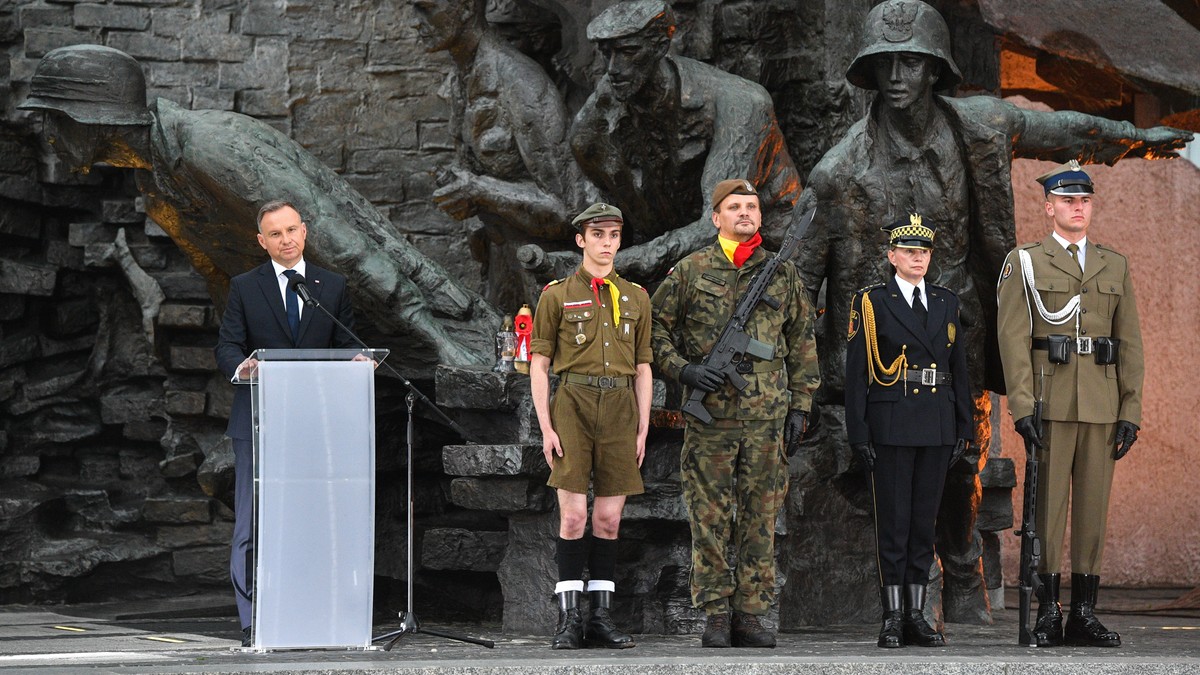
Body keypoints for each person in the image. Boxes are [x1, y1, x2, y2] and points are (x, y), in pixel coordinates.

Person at [793, 0, 1191, 622]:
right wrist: (812, 376)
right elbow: (799, 278)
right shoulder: (837, 173)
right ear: (868, 73)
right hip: (886, 346)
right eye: (885, 64)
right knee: (897, 472)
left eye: (911, 62)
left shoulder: (977, 126)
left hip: (960, 330)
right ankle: (912, 596)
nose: (898, 75)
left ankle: (962, 579)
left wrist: (1139, 141)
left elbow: (1062, 132)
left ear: (934, 70)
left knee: (961, 460)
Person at [19, 44, 498, 369]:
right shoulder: (157, 182)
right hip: (326, 346)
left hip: (409, 324)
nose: (50, 138)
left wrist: (441, 343)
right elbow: (223, 275)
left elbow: (336, 241)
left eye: (53, 121)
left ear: (91, 118)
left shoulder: (210, 148)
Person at [522, 0, 803, 284]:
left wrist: (609, 264)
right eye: (606, 54)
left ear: (659, 46)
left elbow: (719, 224)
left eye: (628, 52)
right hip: (673, 268)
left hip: (769, 258)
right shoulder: (594, 126)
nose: (613, 68)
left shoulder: (741, 104)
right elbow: (610, 217)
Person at [651, 179, 819, 648]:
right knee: (709, 518)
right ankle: (715, 616)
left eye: (751, 206)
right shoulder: (691, 270)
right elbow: (654, 332)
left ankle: (750, 613)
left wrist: (800, 407)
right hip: (711, 423)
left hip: (767, 420)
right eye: (734, 206)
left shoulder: (781, 274)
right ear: (716, 217)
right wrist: (684, 372)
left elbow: (803, 344)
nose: (745, 213)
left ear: (761, 218)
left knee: (761, 519)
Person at [996, 161, 1143, 648]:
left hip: (1101, 405)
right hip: (1051, 400)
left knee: (1092, 513)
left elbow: (1130, 345)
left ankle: (1083, 613)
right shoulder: (1027, 262)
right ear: (1049, 207)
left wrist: (1130, 410)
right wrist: (1021, 406)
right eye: (1068, 200)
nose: (1077, 207)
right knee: (1048, 513)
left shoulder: (1114, 264)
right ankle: (1049, 611)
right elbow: (1013, 340)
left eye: (1084, 200)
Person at [213, 200, 360, 646]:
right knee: (252, 525)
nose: (286, 239)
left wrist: (357, 360)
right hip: (258, 420)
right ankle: (252, 621)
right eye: (275, 234)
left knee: (315, 522)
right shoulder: (244, 286)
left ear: (305, 231)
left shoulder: (330, 286)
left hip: (315, 423)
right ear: (262, 241)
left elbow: (348, 342)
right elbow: (227, 348)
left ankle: (314, 615)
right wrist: (244, 368)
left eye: (292, 229)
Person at [412, 0, 596, 309]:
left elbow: (569, 209)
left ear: (467, 7)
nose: (415, 22)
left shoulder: (520, 81)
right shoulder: (463, 76)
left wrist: (480, 191)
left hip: (551, 286)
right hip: (504, 276)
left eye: (426, 8)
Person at [844, 214, 973, 648]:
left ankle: (917, 614)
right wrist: (859, 433)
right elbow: (857, 373)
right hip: (892, 421)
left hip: (936, 421)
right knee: (893, 525)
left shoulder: (945, 302)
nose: (918, 258)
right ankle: (892, 615)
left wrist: (963, 425)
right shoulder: (873, 303)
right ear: (892, 256)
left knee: (923, 523)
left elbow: (959, 369)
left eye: (924, 252)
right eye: (910, 252)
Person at [529, 202, 653, 650]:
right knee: (574, 515)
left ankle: (600, 618)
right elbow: (539, 365)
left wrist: (642, 427)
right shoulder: (556, 295)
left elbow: (643, 367)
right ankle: (568, 619)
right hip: (574, 404)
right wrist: (546, 425)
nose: (606, 243)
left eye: (614, 236)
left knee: (608, 518)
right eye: (597, 235)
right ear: (581, 240)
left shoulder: (636, 296)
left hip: (620, 406)